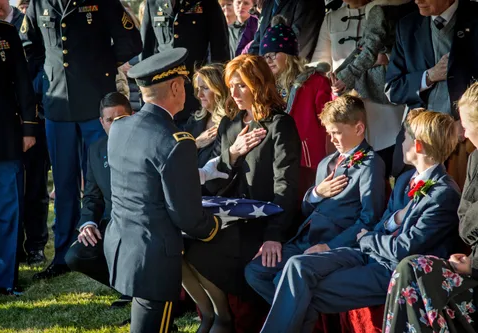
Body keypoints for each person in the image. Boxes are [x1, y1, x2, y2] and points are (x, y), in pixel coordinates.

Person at [260, 109, 462, 333]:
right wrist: (393, 220)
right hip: (368, 253)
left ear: (418, 146)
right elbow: (382, 224)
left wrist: (367, 239)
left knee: (304, 290)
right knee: (297, 266)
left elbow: (402, 249)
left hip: (392, 270)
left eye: (404, 137)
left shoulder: (444, 193)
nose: (400, 142)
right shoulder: (406, 180)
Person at [104, 48, 226, 333]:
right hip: (154, 257)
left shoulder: (120, 127)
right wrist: (216, 226)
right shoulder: (175, 141)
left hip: (124, 244)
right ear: (174, 87)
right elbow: (186, 215)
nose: (187, 91)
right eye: (184, 84)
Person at [20, 0, 142, 279]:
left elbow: (130, 40)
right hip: (58, 107)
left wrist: (101, 66)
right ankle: (63, 254)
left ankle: (108, 249)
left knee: (107, 182)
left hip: (95, 106)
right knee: (63, 185)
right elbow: (30, 46)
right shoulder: (40, 3)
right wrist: (45, 80)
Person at [181, 54, 301, 332]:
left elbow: (287, 185)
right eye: (231, 86)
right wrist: (232, 153)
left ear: (258, 85)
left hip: (265, 221)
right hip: (231, 216)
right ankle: (215, 314)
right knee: (181, 246)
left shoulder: (280, 124)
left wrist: (274, 235)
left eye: (241, 86)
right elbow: (215, 181)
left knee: (202, 251)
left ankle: (224, 319)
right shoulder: (231, 123)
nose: (233, 93)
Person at [245, 94, 386, 305]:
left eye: (337, 133)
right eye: (329, 133)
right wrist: (317, 193)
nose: (332, 140)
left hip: (333, 244)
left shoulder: (370, 164)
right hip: (305, 239)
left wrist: (329, 247)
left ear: (358, 128)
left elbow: (369, 220)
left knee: (283, 276)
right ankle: (302, 317)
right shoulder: (326, 163)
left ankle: (295, 318)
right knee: (255, 271)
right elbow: (306, 209)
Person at [382, 82, 478, 333]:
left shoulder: (444, 191)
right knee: (410, 269)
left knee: (410, 267)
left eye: (467, 127)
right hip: (471, 263)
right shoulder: (475, 160)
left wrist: (475, 262)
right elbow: (467, 220)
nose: (464, 136)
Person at [0, 0, 38, 295]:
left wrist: (29, 127)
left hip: (6, 136)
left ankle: (4, 281)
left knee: (9, 211)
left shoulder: (4, 32)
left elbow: (22, 81)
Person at [385, 0, 478, 184]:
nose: (417, 0)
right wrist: (429, 76)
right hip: (419, 142)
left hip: (465, 140)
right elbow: (392, 89)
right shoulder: (407, 26)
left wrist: (468, 120)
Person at [311, 0, 405, 179]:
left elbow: (404, 51)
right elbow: (320, 61)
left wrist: (386, 57)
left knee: (390, 166)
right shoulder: (331, 18)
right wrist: (334, 79)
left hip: (385, 105)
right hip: (347, 105)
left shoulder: (386, 10)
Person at [65, 92, 133, 307]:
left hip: (142, 223)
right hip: (112, 223)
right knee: (76, 255)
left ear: (132, 117)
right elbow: (93, 196)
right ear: (101, 123)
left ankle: (143, 290)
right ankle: (127, 289)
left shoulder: (146, 143)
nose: (115, 124)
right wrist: (88, 223)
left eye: (121, 118)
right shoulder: (95, 150)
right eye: (110, 120)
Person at [261, 15, 332, 199]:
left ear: (289, 54)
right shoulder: (266, 87)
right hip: (276, 161)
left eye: (274, 54)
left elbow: (329, 123)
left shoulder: (315, 82)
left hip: (307, 163)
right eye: (265, 56)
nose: (268, 60)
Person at [140, 0, 230, 125]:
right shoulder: (153, 4)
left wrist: (219, 88)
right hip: (162, 90)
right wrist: (145, 90)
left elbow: (220, 49)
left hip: (194, 89)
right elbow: (146, 51)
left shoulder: (207, 4)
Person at [184, 64, 229, 168]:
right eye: (198, 88)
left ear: (220, 90)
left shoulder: (232, 123)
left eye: (205, 88)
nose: (199, 95)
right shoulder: (193, 121)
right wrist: (196, 144)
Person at [248, 0, 325, 60]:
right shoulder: (269, 3)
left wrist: (266, 67)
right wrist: (249, 64)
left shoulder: (308, 3)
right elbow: (258, 41)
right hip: (267, 73)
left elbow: (298, 46)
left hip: (293, 75)